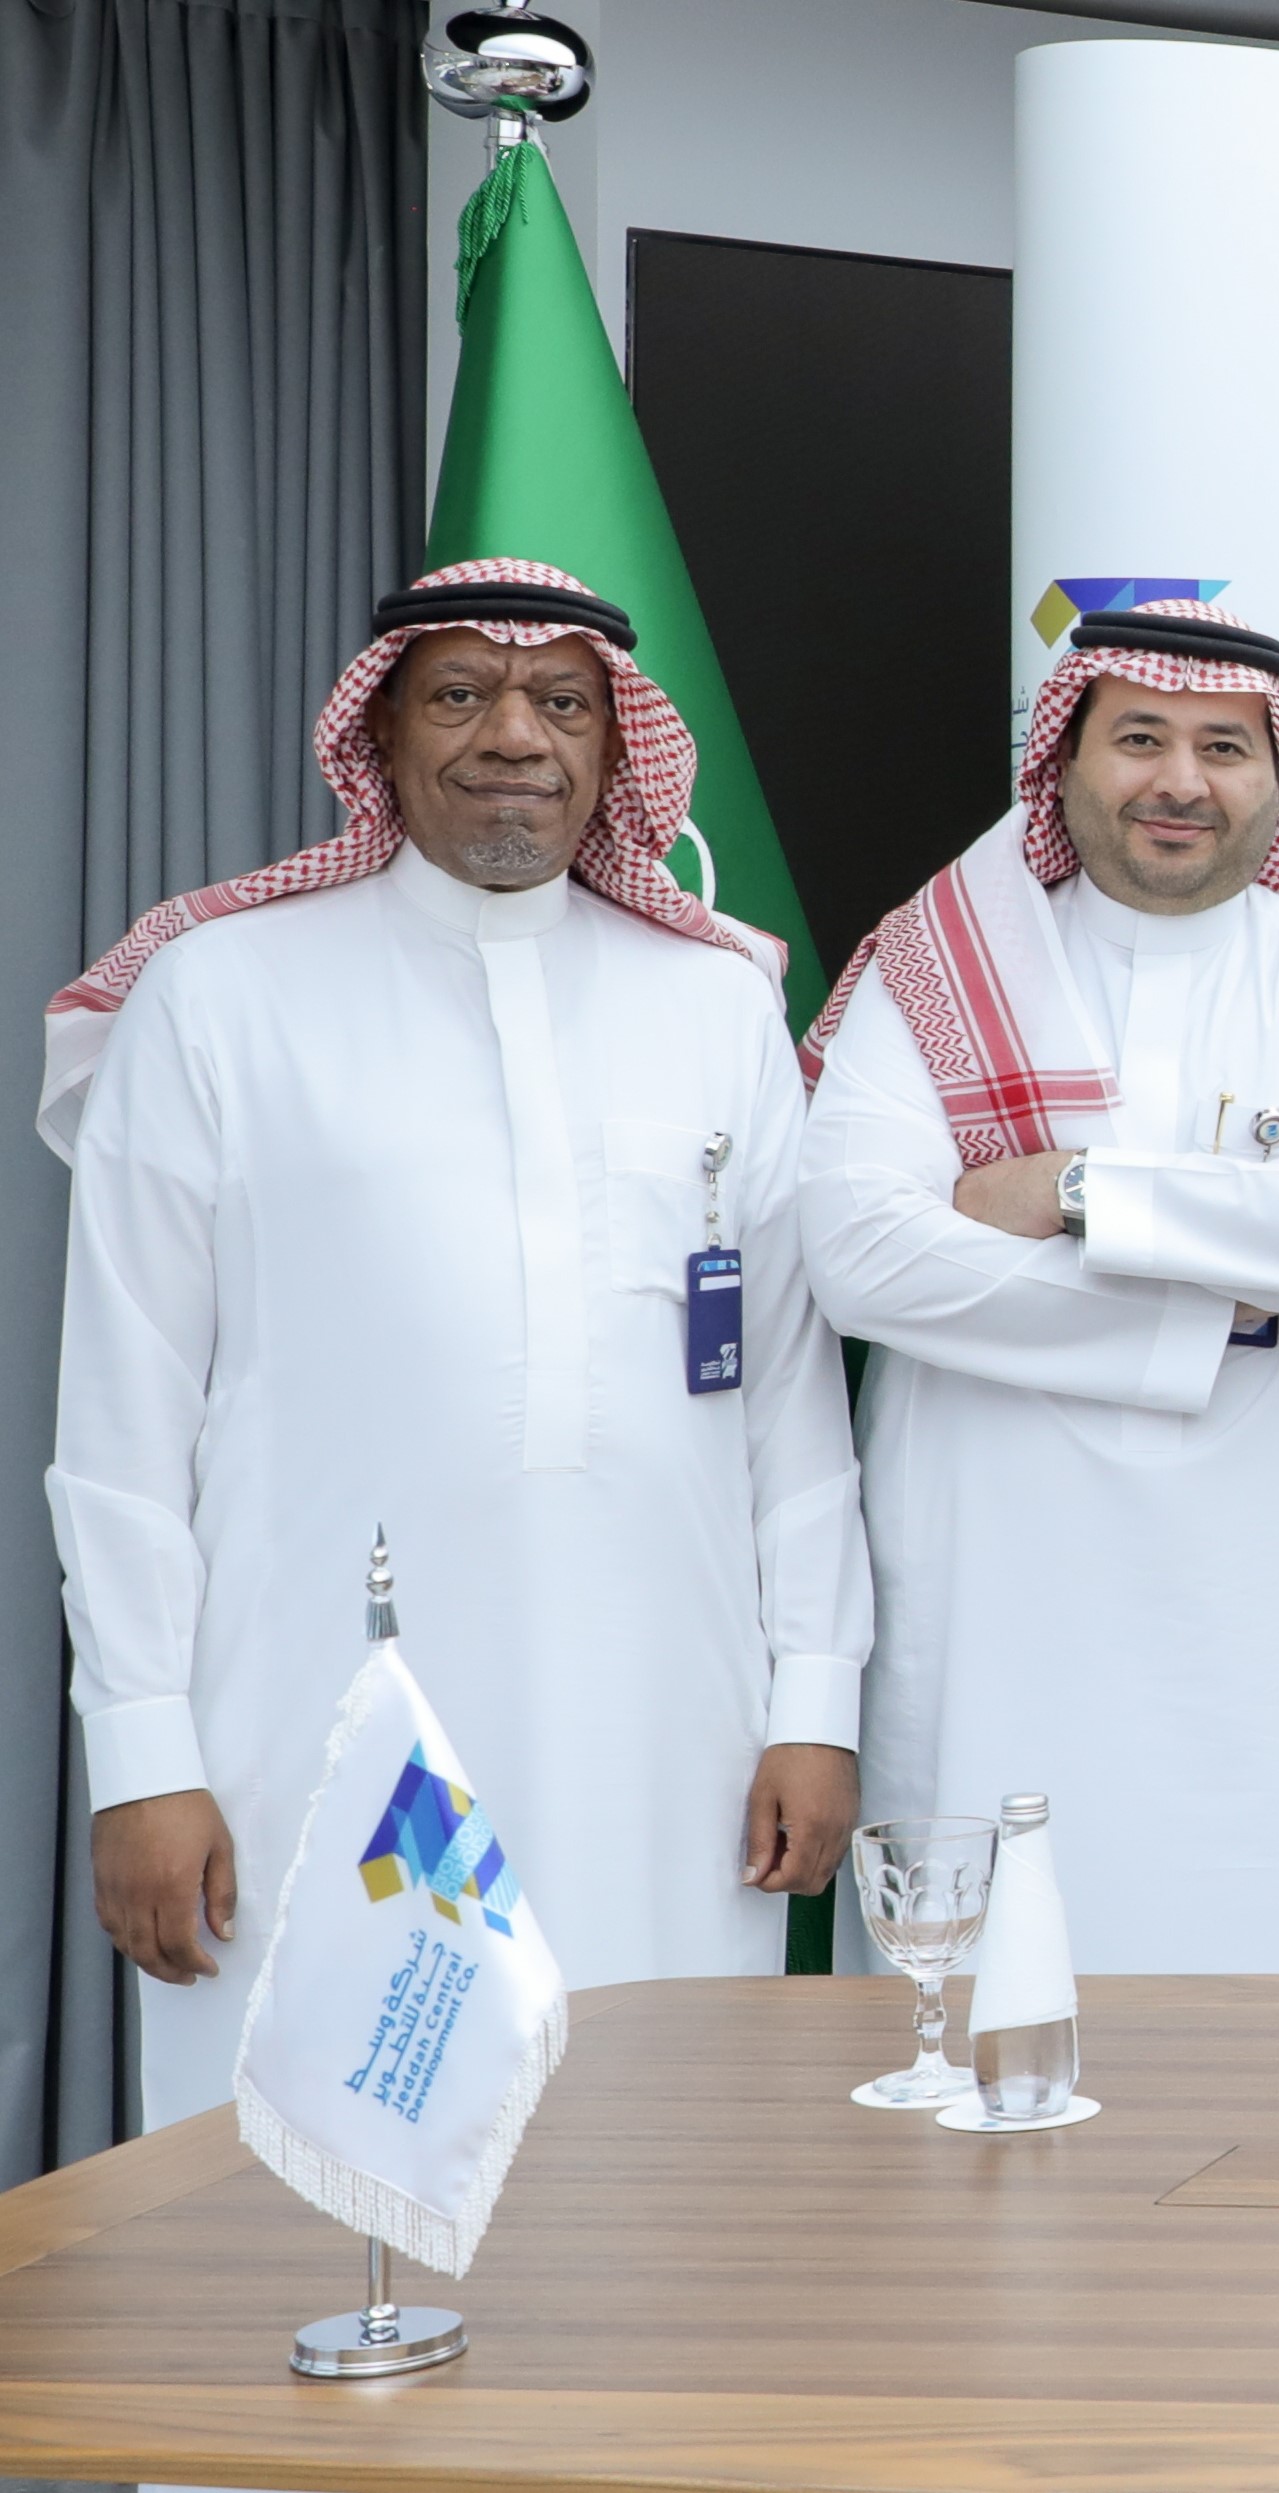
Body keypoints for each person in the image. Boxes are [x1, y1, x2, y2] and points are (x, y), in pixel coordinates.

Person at [46, 559, 869, 2121]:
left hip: (672, 1738)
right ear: (378, 735)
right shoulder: (220, 996)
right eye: (461, 695)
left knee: (651, 2164)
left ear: (616, 747)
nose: (514, 736)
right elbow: (122, 1421)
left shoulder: (715, 1004)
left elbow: (789, 1402)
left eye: (562, 702)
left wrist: (815, 1706)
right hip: (312, 1720)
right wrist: (145, 1753)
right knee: (322, 2162)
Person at [805, 601, 1279, 1973]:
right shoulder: (937, 974)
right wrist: (1241, 1290)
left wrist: (1074, 1193)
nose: (1181, 781)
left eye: (1225, 747)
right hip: (1005, 1617)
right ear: (1062, 759)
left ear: (1277, 781)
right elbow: (863, 1256)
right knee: (998, 2020)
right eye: (1140, 739)